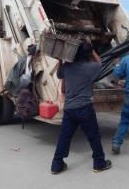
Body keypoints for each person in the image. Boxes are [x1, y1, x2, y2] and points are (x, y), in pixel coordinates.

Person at [51, 40, 112, 174]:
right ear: (88, 54)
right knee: (94, 136)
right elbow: (99, 63)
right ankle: (99, 163)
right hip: (85, 108)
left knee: (64, 137)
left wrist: (62, 59)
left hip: (69, 109)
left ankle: (56, 165)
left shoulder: (67, 67)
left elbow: (59, 74)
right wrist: (92, 50)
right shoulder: (90, 68)